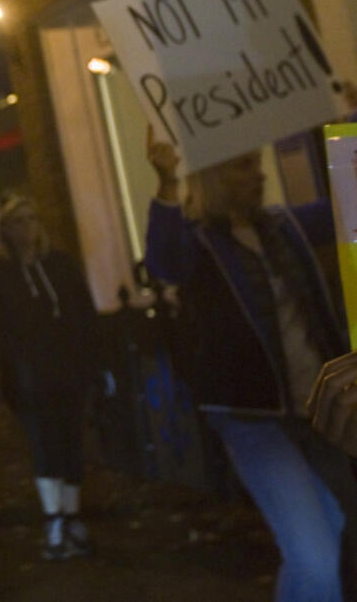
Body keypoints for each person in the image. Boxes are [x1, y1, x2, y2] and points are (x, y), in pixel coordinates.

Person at [146, 132, 356, 602]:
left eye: (257, 163)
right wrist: (166, 185)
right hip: (254, 420)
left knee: (329, 535)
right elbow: (163, 262)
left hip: (314, 410)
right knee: (315, 557)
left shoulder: (284, 226)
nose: (259, 174)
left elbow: (350, 201)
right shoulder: (199, 243)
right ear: (217, 175)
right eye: (244, 165)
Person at [0, 196, 100, 560]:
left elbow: (83, 311)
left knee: (70, 441)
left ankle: (72, 514)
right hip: (27, 375)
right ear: (6, 229)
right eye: (18, 221)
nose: (27, 227)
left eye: (32, 219)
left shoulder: (60, 265)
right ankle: (54, 519)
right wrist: (7, 360)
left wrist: (92, 361)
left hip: (68, 370)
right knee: (43, 443)